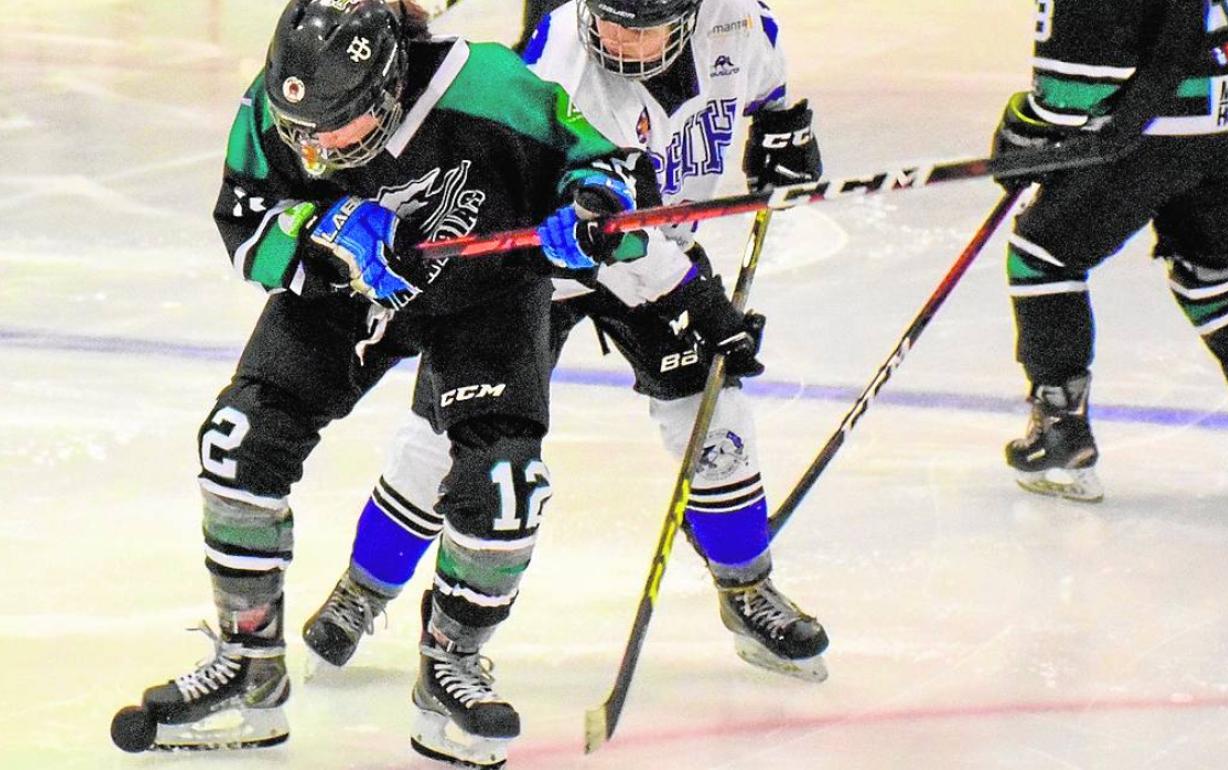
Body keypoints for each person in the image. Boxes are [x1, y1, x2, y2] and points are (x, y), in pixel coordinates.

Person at [108, 0, 659, 764]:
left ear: (392, 82)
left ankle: (451, 669)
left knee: (503, 484)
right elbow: (246, 224)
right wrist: (322, 238)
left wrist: (593, 208)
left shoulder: (488, 86)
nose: (322, 147)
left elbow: (608, 168)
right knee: (237, 444)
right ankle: (249, 670)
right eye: (308, 132)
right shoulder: (273, 106)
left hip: (484, 291)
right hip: (350, 291)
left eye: (344, 126)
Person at [301, 0, 830, 701]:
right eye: (608, 19)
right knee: (449, 434)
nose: (617, 39)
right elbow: (619, 236)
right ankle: (364, 589)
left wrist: (782, 125)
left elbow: (765, 84)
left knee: (713, 408)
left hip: (652, 248)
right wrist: (701, 302)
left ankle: (748, 587)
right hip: (536, 257)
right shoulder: (562, 63)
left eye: (640, 27)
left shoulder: (740, 22)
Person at [991, 0, 1228, 503]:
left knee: (1041, 253)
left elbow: (1075, 90)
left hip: (1161, 122)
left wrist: (1023, 128)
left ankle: (1059, 429)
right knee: (1214, 278)